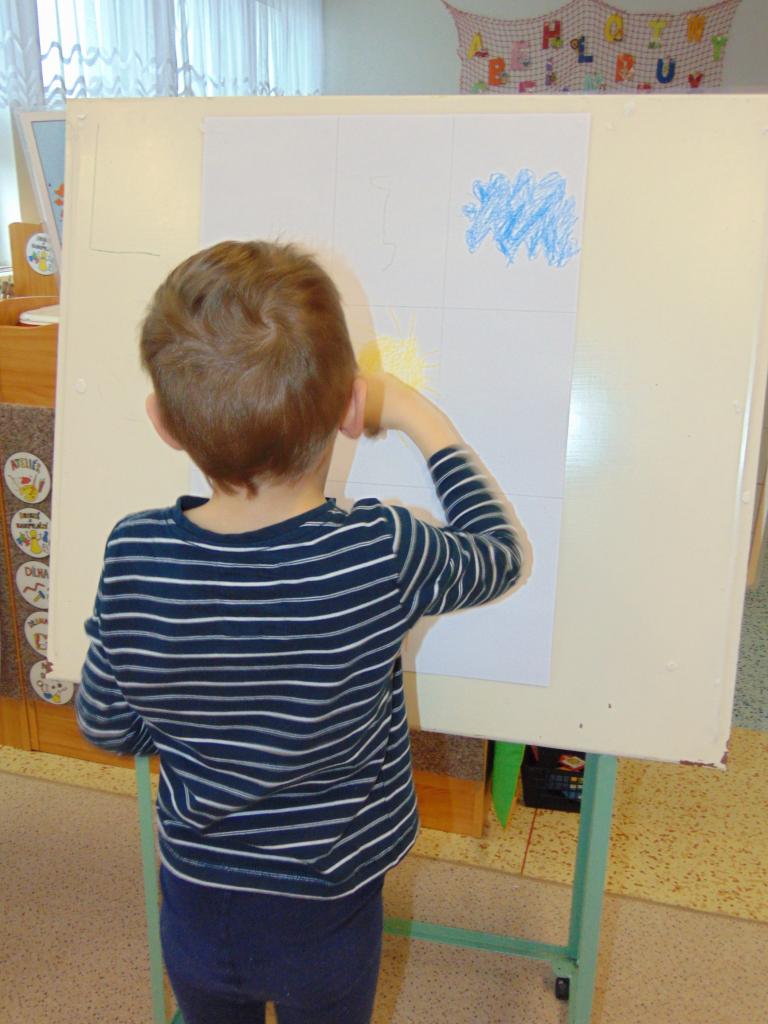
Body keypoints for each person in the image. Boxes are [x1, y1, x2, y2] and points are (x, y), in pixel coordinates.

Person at [76, 240, 524, 1024]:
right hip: (328, 907)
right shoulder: (380, 552)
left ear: (164, 424)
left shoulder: (135, 552)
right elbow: (498, 552)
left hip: (196, 900)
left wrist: (202, 724)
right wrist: (418, 417)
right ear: (348, 409)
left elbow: (108, 724)